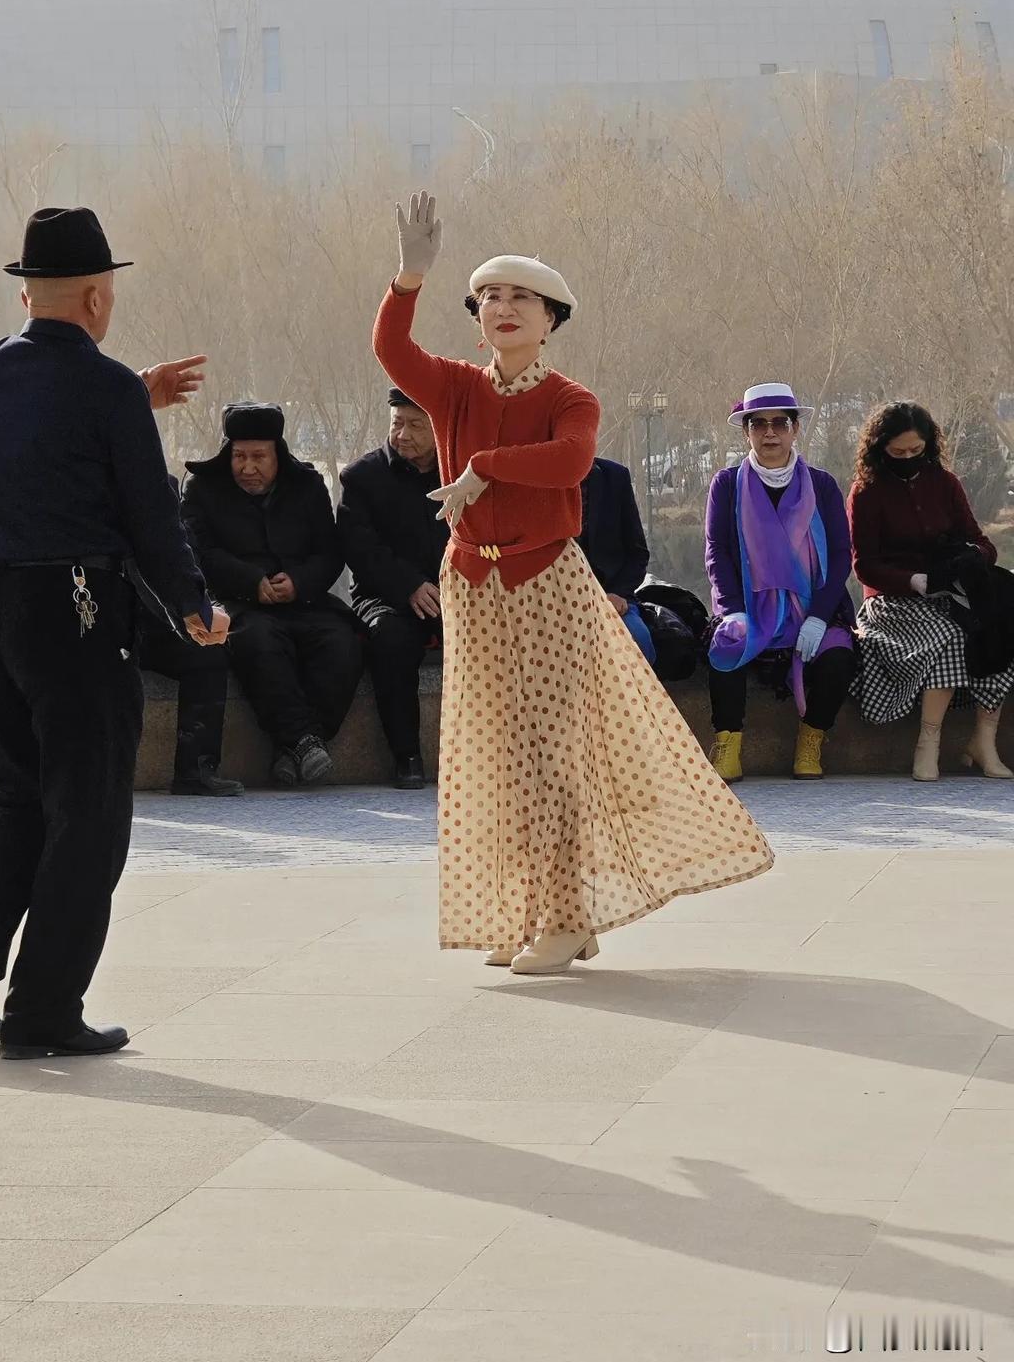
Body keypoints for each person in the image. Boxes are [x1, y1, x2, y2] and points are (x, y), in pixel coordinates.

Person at [373, 191, 774, 974]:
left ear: (551, 318)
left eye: (521, 296)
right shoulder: (454, 386)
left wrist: (482, 469)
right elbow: (393, 353)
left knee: (556, 755)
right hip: (472, 587)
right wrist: (409, 277)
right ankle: (528, 911)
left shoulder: (569, 398)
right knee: (493, 753)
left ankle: (566, 914)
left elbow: (572, 463)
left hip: (548, 584)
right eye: (488, 296)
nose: (502, 306)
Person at [0, 206, 227, 1059]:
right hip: (73, 606)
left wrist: (135, 395)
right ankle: (45, 1010)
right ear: (98, 297)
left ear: (27, 294)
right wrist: (194, 606)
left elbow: (48, 433)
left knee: (18, 795)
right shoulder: (108, 387)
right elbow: (147, 515)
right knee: (88, 814)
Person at [181, 401, 364, 786]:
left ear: (277, 453)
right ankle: (303, 742)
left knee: (343, 643)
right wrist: (250, 581)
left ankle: (293, 747)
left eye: (259, 457)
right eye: (240, 457)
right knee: (257, 641)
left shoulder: (308, 485)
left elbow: (330, 551)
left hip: (304, 600)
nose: (248, 468)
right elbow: (200, 552)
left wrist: (299, 581)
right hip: (239, 603)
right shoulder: (202, 488)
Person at [849, 400, 1014, 781]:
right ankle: (929, 742)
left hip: (951, 591)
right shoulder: (866, 492)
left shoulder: (945, 483)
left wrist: (972, 556)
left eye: (916, 451)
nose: (908, 458)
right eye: (898, 452)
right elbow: (864, 564)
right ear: (880, 450)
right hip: (893, 601)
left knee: (998, 628)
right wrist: (912, 580)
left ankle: (983, 740)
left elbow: (983, 543)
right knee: (950, 637)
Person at [705, 384, 857, 783]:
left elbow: (842, 554)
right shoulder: (726, 484)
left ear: (795, 430)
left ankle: (811, 740)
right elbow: (717, 550)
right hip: (751, 608)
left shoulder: (821, 485)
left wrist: (819, 616)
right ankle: (729, 745)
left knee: (839, 657)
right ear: (747, 432)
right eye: (759, 424)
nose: (769, 432)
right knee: (724, 649)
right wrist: (732, 610)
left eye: (779, 423)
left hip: (810, 608)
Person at [338, 386, 451, 788]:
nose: (403, 434)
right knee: (390, 640)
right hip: (385, 594)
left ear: (439, 429)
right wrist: (408, 585)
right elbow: (360, 548)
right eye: (397, 423)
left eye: (416, 425)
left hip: (453, 592)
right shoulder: (362, 477)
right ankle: (406, 756)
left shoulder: (459, 472)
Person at [137, 476, 244, 797]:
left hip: (155, 624)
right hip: (96, 621)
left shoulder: (164, 491)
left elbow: (185, 566)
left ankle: (196, 768)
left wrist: (203, 611)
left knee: (208, 653)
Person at [577, 457, 655, 666]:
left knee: (637, 640)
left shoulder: (614, 477)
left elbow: (637, 553)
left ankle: (642, 699)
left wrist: (617, 593)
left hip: (612, 597)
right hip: (553, 600)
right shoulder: (534, 480)